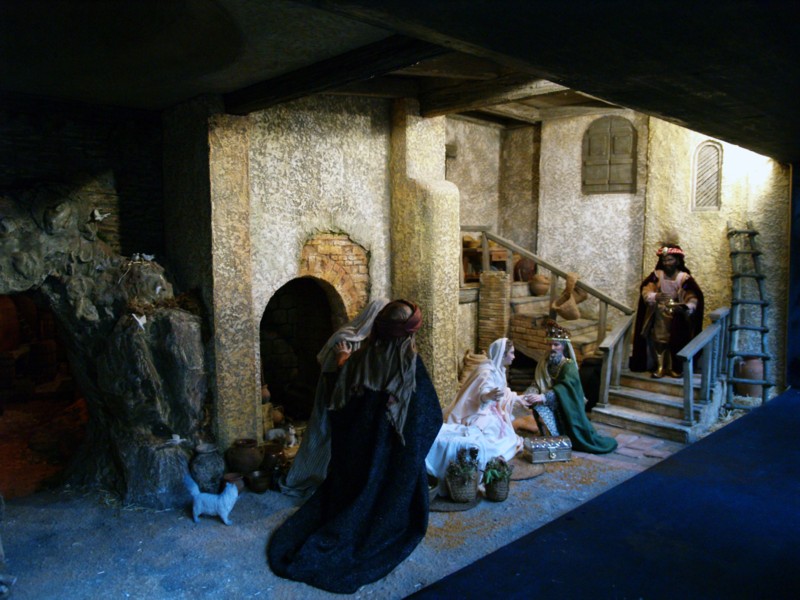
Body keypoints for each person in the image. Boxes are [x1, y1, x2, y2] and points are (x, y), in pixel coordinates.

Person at [267, 300, 442, 594]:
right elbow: (431, 417)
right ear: (407, 335)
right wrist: (402, 451)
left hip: (354, 465)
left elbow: (339, 404)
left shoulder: (360, 360)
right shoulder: (410, 366)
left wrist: (341, 361)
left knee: (347, 503)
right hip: (392, 472)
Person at [279, 298, 388, 498]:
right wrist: (344, 362)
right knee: (322, 435)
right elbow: (331, 373)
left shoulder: (377, 341)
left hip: (355, 400)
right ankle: (307, 477)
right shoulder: (345, 339)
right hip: (334, 398)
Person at [425, 338, 534, 494]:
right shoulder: (486, 372)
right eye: (511, 353)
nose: (514, 356)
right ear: (502, 355)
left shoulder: (499, 369)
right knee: (490, 434)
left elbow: (503, 392)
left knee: (508, 435)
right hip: (477, 411)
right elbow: (481, 394)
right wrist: (488, 396)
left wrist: (517, 398)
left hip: (491, 409)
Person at [526, 321, 617, 454]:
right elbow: (537, 382)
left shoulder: (568, 366)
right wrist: (528, 395)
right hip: (552, 400)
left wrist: (543, 397)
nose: (552, 348)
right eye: (549, 344)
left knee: (542, 406)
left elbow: (566, 388)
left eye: (556, 345)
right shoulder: (544, 363)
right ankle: (549, 437)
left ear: (563, 347)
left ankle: (558, 437)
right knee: (537, 407)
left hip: (567, 404)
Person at [629, 244, 704, 378]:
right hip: (660, 313)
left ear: (677, 260)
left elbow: (692, 295)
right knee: (659, 340)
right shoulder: (657, 275)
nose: (667, 263)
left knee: (676, 340)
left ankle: (673, 367)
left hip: (677, 315)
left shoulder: (684, 278)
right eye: (664, 260)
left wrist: (687, 306)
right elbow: (646, 289)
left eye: (670, 260)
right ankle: (660, 366)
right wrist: (654, 296)